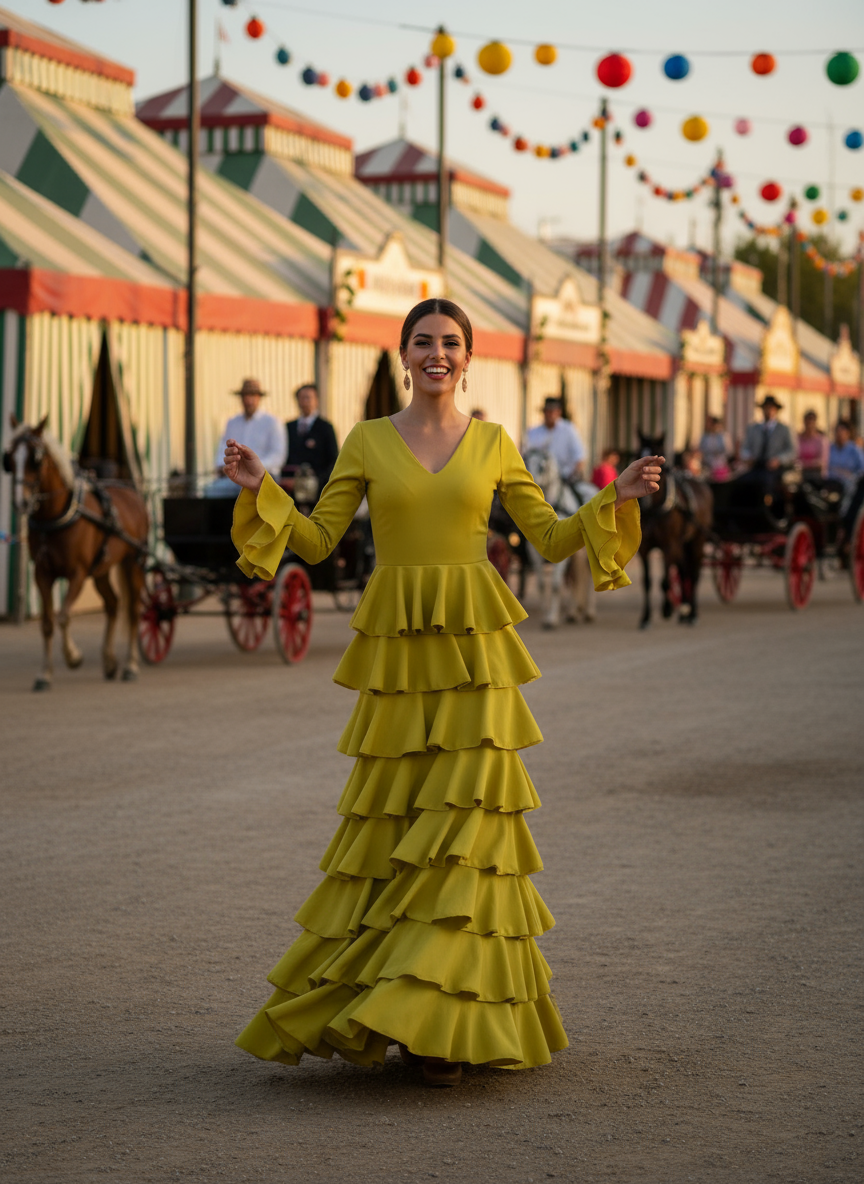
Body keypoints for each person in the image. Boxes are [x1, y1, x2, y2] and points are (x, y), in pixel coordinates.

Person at [223, 297, 662, 1087]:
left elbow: (552, 538)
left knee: (463, 837)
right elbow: (318, 541)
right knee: (395, 832)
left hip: (476, 665)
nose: (437, 353)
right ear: (403, 355)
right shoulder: (366, 440)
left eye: (451, 342)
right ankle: (387, 1006)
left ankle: (439, 1031)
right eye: (423, 341)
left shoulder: (494, 443)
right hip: (398, 669)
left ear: (468, 357)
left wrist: (616, 495)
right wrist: (264, 488)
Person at [207, 378, 286, 497]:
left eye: (252, 396)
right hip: (235, 478)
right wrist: (222, 466)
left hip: (264, 478)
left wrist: (253, 467)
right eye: (245, 396)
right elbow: (222, 449)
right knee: (211, 491)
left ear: (259, 398)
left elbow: (278, 457)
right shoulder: (232, 422)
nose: (248, 400)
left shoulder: (272, 422)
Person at [284, 383, 339, 502]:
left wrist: (319, 481)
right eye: (301, 398)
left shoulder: (325, 427)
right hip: (292, 491)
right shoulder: (289, 427)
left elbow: (333, 458)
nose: (305, 402)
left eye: (308, 398)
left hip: (318, 491)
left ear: (316, 400)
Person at [525, 396, 585, 482]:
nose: (550, 415)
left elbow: (579, 457)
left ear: (559, 412)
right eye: (547, 411)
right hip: (539, 480)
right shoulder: (533, 432)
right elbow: (527, 456)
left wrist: (573, 475)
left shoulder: (568, 429)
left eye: (552, 411)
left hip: (565, 478)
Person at [738, 395, 796, 471]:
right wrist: (748, 457)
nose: (768, 410)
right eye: (766, 407)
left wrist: (779, 460)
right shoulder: (753, 428)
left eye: (771, 408)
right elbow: (745, 448)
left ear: (776, 410)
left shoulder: (783, 429)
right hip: (756, 466)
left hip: (776, 469)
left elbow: (791, 451)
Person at [828, 419, 864, 494]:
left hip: (849, 483)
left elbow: (862, 469)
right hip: (831, 482)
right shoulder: (830, 448)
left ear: (848, 433)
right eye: (837, 431)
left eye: (842, 431)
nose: (839, 434)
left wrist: (852, 475)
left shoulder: (854, 450)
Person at [797, 410, 828, 481]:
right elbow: (796, 458)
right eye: (807, 422)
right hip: (801, 473)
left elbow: (821, 462)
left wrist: (806, 464)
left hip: (816, 475)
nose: (809, 425)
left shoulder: (821, 440)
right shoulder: (799, 439)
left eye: (811, 422)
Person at [699, 415, 732, 480]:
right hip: (708, 464)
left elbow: (728, 451)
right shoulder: (705, 436)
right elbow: (701, 449)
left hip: (720, 464)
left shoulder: (723, 436)